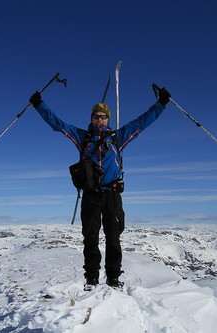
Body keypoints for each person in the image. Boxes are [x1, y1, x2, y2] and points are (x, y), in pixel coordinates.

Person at [29, 85, 171, 290]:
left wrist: (161, 104)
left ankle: (113, 278)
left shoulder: (118, 138)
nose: (99, 120)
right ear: (91, 118)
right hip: (90, 195)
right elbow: (58, 124)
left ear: (108, 119)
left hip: (112, 193)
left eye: (103, 117)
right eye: (96, 117)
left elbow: (142, 122)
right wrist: (39, 105)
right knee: (90, 237)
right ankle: (91, 278)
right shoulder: (82, 137)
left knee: (113, 237)